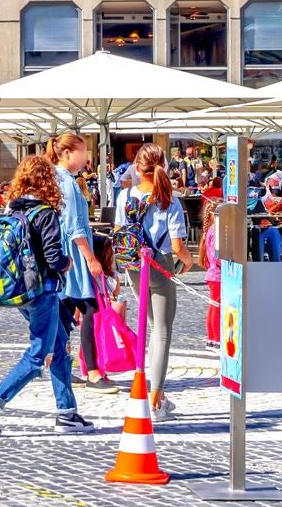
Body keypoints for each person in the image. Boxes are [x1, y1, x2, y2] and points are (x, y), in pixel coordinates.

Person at [0, 152, 84, 436]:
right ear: (48, 181)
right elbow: (54, 258)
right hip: (44, 292)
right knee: (38, 355)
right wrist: (68, 263)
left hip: (23, 290)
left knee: (59, 347)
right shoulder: (46, 213)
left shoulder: (14, 210)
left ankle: (67, 412)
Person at [117, 143, 192, 419]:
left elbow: (118, 231)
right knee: (161, 331)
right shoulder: (168, 199)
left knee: (151, 325)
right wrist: (189, 261)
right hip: (158, 263)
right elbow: (176, 246)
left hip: (132, 265)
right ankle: (156, 399)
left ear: (137, 167)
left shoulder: (124, 196)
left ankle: (156, 392)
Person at [49, 132, 106, 405]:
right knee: (89, 309)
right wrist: (90, 258)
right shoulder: (68, 183)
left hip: (61, 253)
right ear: (68, 153)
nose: (87, 157)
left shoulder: (57, 179)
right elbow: (74, 227)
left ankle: (60, 365)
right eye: (83, 151)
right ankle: (93, 373)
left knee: (62, 313)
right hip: (73, 254)